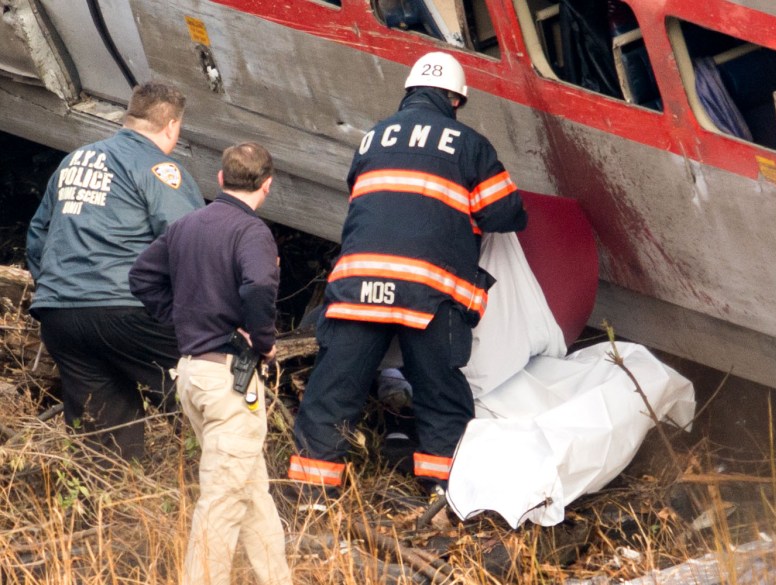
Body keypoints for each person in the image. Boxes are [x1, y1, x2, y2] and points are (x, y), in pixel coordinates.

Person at [288, 51, 528, 501]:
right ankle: (446, 494)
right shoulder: (469, 144)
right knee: (440, 396)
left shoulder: (371, 139)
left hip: (358, 287)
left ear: (410, 93)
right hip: (427, 295)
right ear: (455, 100)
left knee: (333, 392)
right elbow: (506, 213)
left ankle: (309, 501)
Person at [129, 142, 292, 585]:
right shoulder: (252, 232)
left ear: (220, 179)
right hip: (230, 384)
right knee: (221, 503)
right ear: (267, 185)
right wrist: (264, 342)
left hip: (193, 375)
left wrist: (181, 319)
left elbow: (141, 277)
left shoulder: (185, 226)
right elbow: (259, 284)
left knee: (251, 495)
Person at [26, 82, 204, 462]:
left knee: (102, 438)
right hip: (126, 310)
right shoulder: (159, 168)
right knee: (212, 393)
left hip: (60, 317)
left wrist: (56, 288)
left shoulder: (75, 160)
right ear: (172, 126)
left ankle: (108, 515)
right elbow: (188, 244)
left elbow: (39, 234)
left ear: (130, 117)